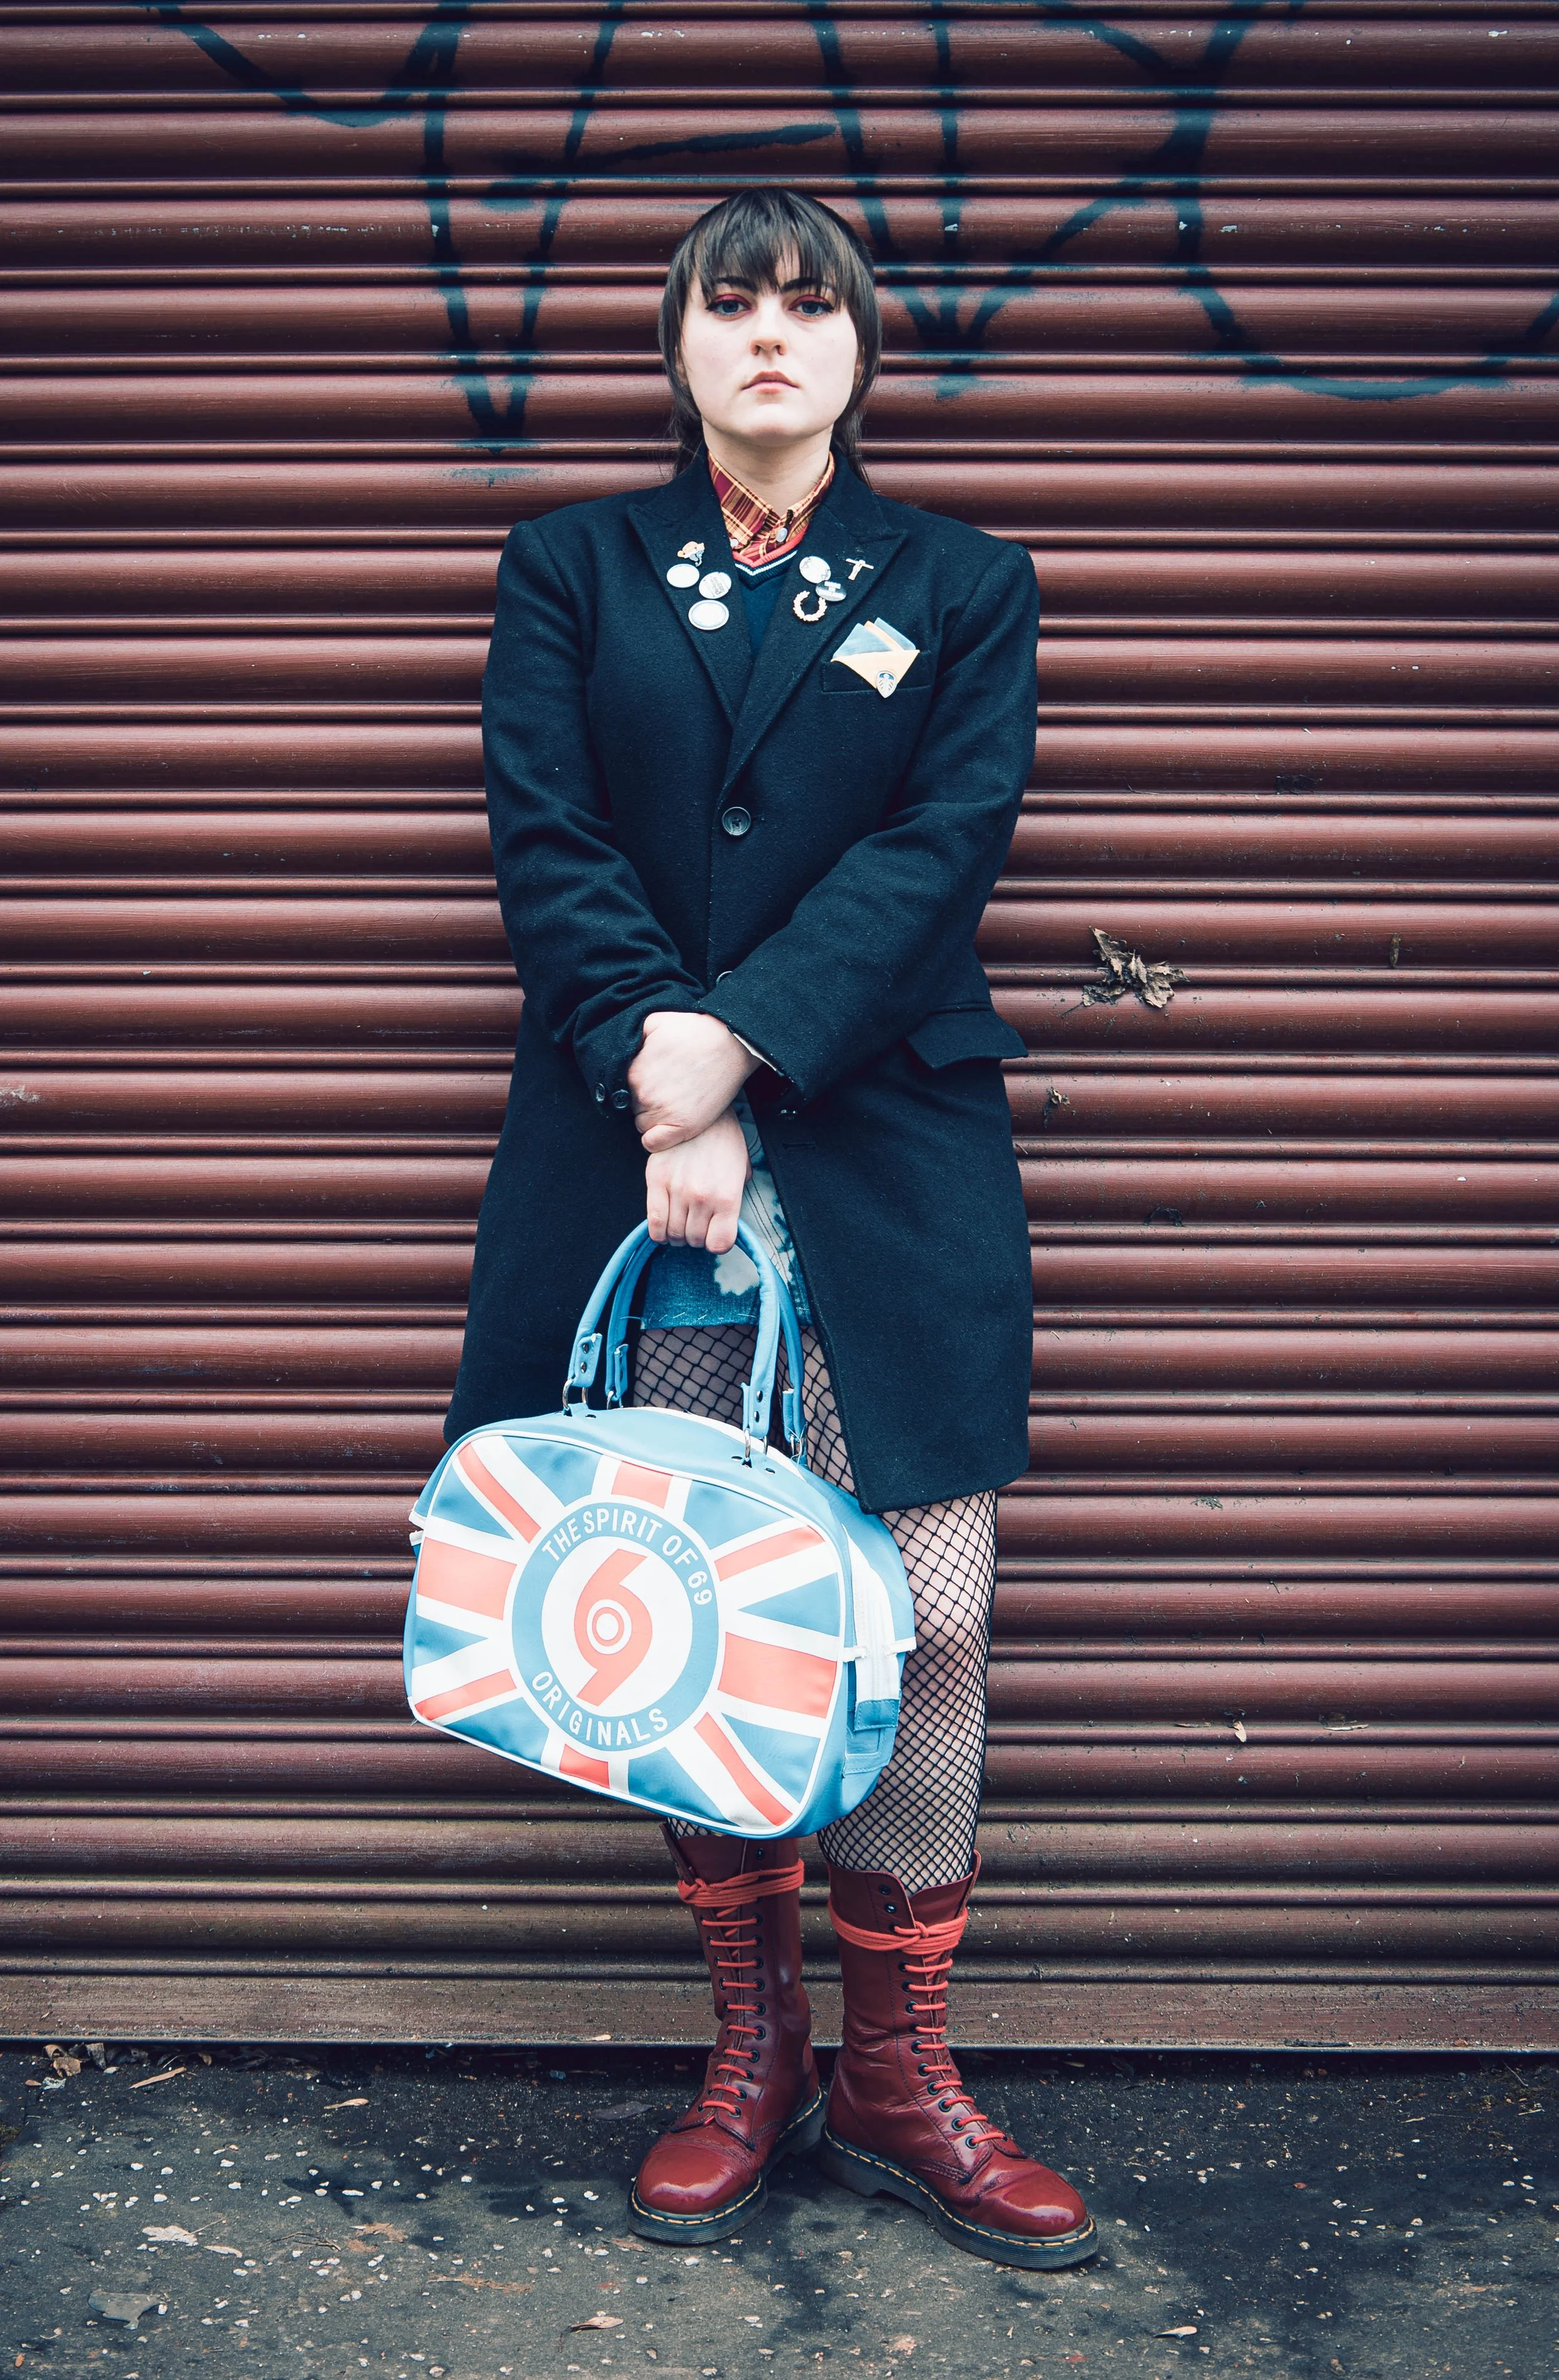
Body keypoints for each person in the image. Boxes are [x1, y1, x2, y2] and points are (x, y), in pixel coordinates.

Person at [446, 188, 1095, 2272]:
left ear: (860, 350)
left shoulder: (963, 583)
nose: (770, 337)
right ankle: (755, 2055)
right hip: (633, 1150)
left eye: (809, 307)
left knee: (932, 1617)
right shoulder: (568, 569)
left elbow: (943, 845)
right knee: (695, 1613)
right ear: (680, 344)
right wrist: (664, 1070)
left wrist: (741, 1049)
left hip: (882, 1144)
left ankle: (902, 2068)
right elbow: (544, 831)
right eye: (733, 302)